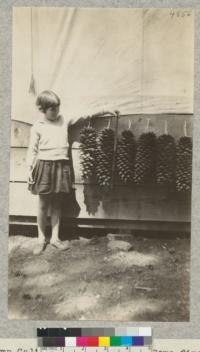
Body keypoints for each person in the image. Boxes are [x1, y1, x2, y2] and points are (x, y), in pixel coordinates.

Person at [26, 90, 84, 255]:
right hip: (44, 166)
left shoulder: (64, 120)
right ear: (43, 109)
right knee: (43, 204)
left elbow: (84, 115)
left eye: (58, 108)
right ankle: (40, 239)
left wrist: (104, 110)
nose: (56, 112)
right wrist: (29, 168)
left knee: (58, 203)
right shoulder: (38, 126)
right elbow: (32, 150)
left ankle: (55, 238)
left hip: (61, 165)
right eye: (52, 109)